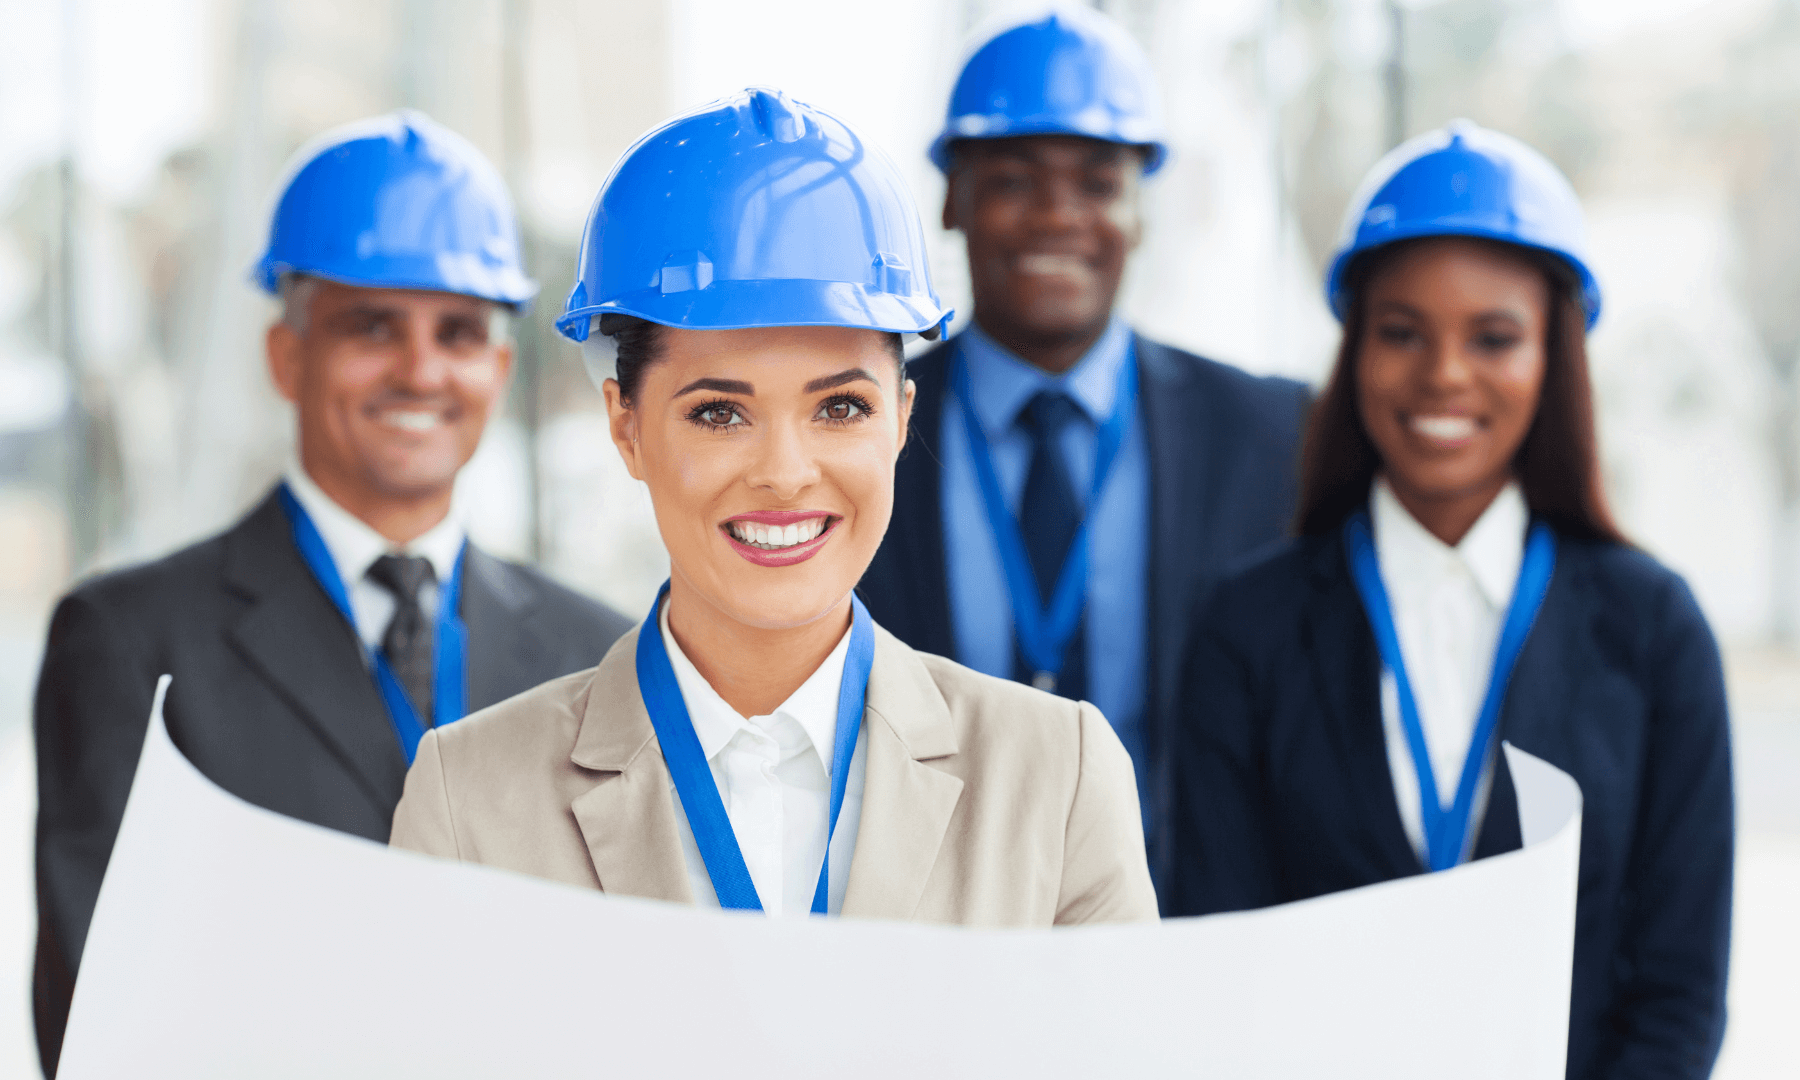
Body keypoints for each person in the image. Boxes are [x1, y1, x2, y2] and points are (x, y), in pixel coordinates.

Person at [389, 88, 1157, 927]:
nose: (786, 475)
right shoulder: (469, 804)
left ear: (901, 418)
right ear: (627, 424)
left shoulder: (1058, 778)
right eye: (720, 412)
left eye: (840, 408)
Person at [33, 111, 631, 1073]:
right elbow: (98, 1014)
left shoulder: (602, 655)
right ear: (287, 355)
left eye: (459, 332)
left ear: (499, 368)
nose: (421, 369)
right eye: (371, 327)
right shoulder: (131, 641)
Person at [1157, 121, 1733, 1078]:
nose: (1445, 374)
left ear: (1553, 357)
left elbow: (1678, 996)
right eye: (1402, 332)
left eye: (1495, 337)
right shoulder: (1245, 628)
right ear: (1355, 349)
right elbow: (1223, 961)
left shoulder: (1654, 628)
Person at [857, 7, 1311, 819]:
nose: (1058, 215)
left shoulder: (1271, 436)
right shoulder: (854, 431)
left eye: (1098, 184)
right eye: (1014, 180)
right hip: (929, 925)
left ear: (1140, 210)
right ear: (952, 200)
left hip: (1184, 927)